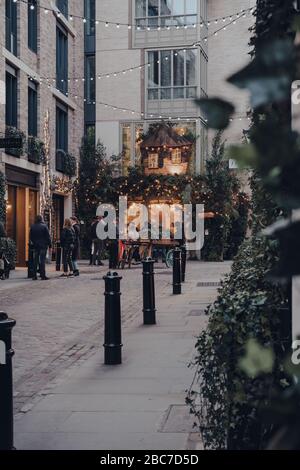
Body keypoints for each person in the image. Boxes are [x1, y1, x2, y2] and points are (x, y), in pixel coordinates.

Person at [29, 215, 52, 281]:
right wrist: (50, 245)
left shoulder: (33, 226)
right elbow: (48, 237)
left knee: (35, 261)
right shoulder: (44, 226)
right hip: (43, 245)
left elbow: (31, 236)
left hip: (36, 246)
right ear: (41, 219)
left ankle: (34, 276)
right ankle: (43, 275)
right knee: (42, 261)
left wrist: (34, 242)